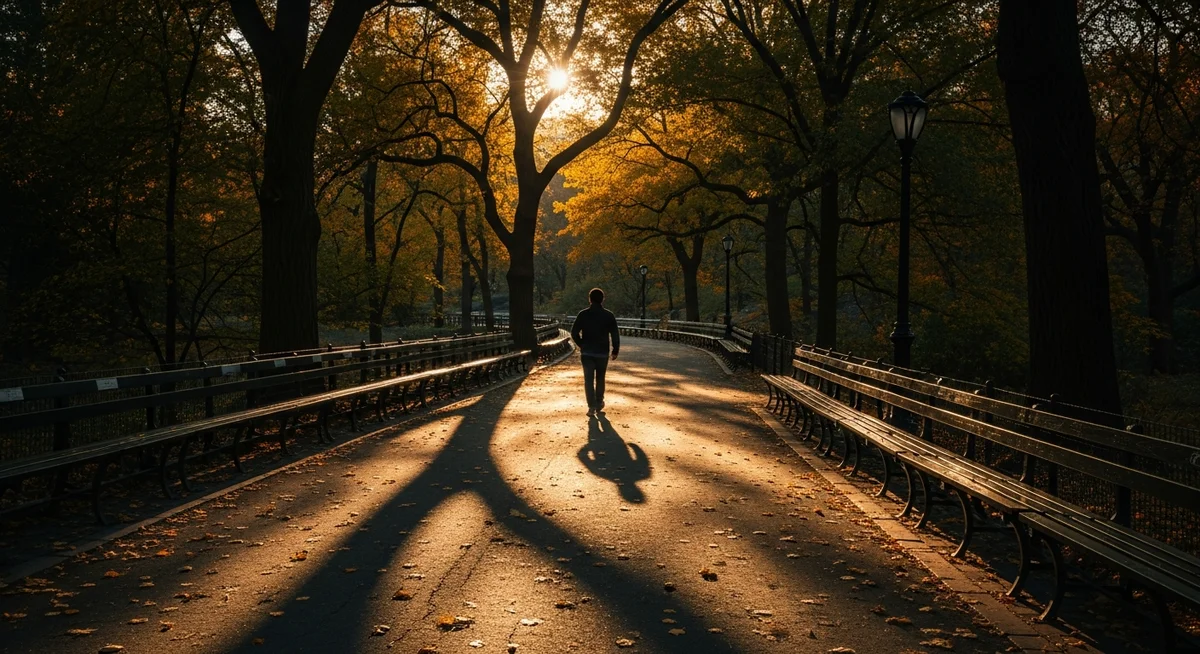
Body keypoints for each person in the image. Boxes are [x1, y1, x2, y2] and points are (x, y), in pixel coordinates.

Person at [571, 288, 620, 417]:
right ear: (603, 299)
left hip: (587, 352)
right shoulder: (608, 315)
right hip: (602, 352)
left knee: (588, 379)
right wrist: (615, 350)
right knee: (600, 378)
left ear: (590, 299)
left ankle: (591, 407)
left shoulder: (583, 314)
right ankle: (599, 402)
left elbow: (574, 333)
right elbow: (615, 334)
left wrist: (581, 344)